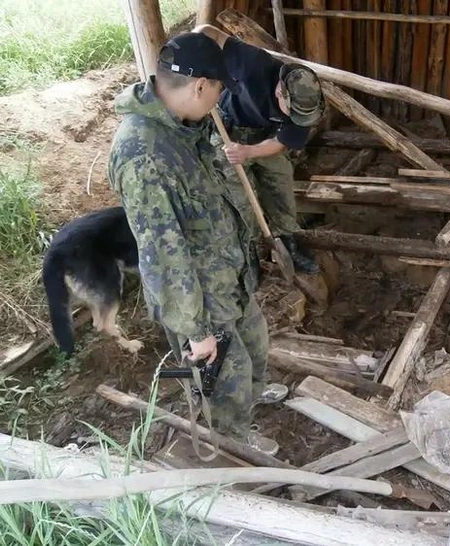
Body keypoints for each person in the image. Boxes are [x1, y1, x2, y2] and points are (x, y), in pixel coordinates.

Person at [107, 32, 289, 456]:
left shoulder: (187, 127)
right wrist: (196, 331)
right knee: (226, 379)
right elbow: (163, 256)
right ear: (200, 86)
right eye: (220, 88)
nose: (221, 98)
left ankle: (248, 404)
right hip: (200, 299)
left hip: (230, 278)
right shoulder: (144, 154)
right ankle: (233, 446)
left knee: (255, 351)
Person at [193, 23, 325, 276]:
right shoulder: (253, 62)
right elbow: (206, 30)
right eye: (293, 112)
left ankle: (289, 243)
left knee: (281, 183)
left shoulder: (308, 103)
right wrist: (196, 54)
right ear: (279, 91)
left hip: (265, 137)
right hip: (228, 131)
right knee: (238, 197)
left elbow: (282, 142)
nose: (298, 118)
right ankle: (250, 253)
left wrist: (249, 152)